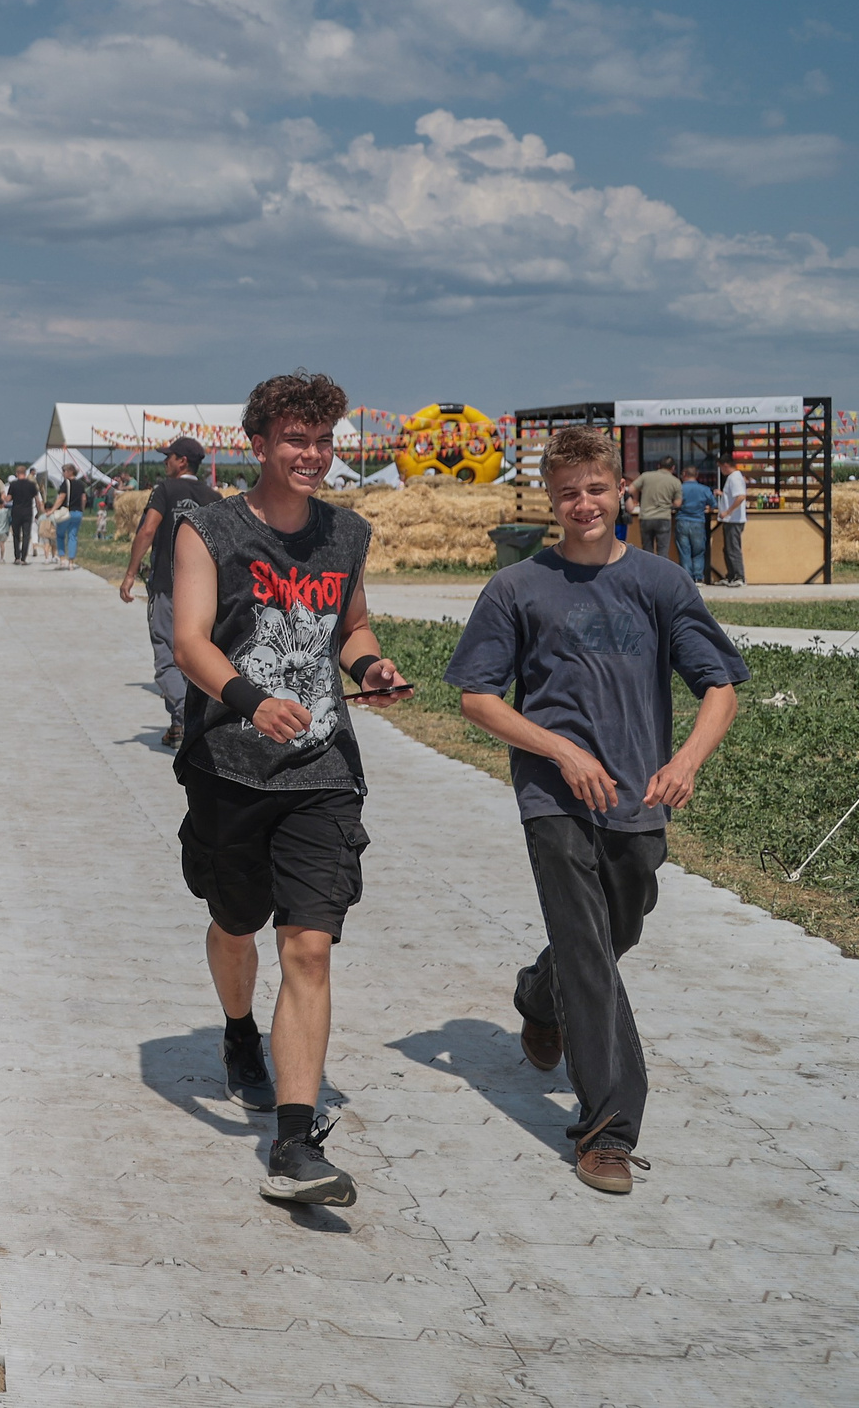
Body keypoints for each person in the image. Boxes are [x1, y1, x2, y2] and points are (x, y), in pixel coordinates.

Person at [445, 425, 743, 1196]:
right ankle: (608, 1128)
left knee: (618, 928)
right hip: (553, 797)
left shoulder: (661, 583)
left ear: (622, 491)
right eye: (568, 491)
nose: (583, 503)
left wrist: (685, 761)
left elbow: (720, 688)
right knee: (587, 943)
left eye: (596, 488)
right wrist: (559, 751)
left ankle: (541, 995)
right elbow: (478, 698)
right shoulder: (517, 588)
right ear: (552, 499)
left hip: (638, 799)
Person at [169, 371, 409, 1207]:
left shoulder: (347, 535)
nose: (313, 455)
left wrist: (371, 664)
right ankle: (240, 1031)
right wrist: (249, 700)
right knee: (237, 921)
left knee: (307, 945)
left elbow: (349, 627)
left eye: (323, 440)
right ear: (259, 443)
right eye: (296, 440)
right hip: (230, 763)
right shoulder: (213, 527)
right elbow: (190, 639)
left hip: (322, 767)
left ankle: (296, 1143)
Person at [118, 437, 221, 750]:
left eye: (169, 457)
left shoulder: (165, 490)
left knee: (167, 654)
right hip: (206, 590)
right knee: (199, 654)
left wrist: (130, 573)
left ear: (183, 462)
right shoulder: (213, 496)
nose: (165, 462)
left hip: (168, 584)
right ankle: (187, 724)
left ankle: (187, 721)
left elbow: (148, 530)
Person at [633, 457, 680, 561]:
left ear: (658, 466)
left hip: (646, 517)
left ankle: (647, 575)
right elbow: (678, 503)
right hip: (663, 517)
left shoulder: (646, 476)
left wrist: (636, 499)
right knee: (662, 551)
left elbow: (631, 488)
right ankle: (661, 576)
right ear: (673, 468)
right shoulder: (675, 481)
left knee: (646, 550)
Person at [676, 466, 716, 584]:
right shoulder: (704, 489)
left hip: (682, 520)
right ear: (696, 475)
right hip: (698, 521)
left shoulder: (680, 488)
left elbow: (674, 503)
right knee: (698, 551)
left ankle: (687, 578)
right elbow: (714, 504)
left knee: (684, 551)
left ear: (684, 474)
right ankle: (698, 577)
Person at [713, 459, 748, 585]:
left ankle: (739, 577)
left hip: (734, 520)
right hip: (730, 520)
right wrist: (722, 494)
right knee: (728, 548)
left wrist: (727, 512)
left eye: (721, 467)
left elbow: (740, 496)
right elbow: (733, 495)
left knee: (733, 548)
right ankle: (731, 576)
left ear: (726, 465)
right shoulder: (733, 478)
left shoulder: (734, 478)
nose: (721, 471)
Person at [55, 464, 88, 566]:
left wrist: (52, 509)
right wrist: (81, 509)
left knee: (60, 535)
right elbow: (84, 498)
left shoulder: (66, 484)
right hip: (77, 512)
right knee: (72, 536)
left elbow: (61, 498)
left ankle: (62, 558)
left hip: (66, 512)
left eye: (64, 471)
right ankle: (71, 561)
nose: (63, 473)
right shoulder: (81, 484)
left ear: (70, 471)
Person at [6, 466, 38, 564]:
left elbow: (8, 499)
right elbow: (37, 499)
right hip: (28, 512)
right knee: (26, 535)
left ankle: (17, 557)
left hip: (16, 511)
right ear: (25, 473)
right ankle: (24, 558)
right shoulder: (32, 484)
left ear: (17, 473)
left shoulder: (13, 485)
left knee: (16, 535)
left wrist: (3, 496)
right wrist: (39, 512)